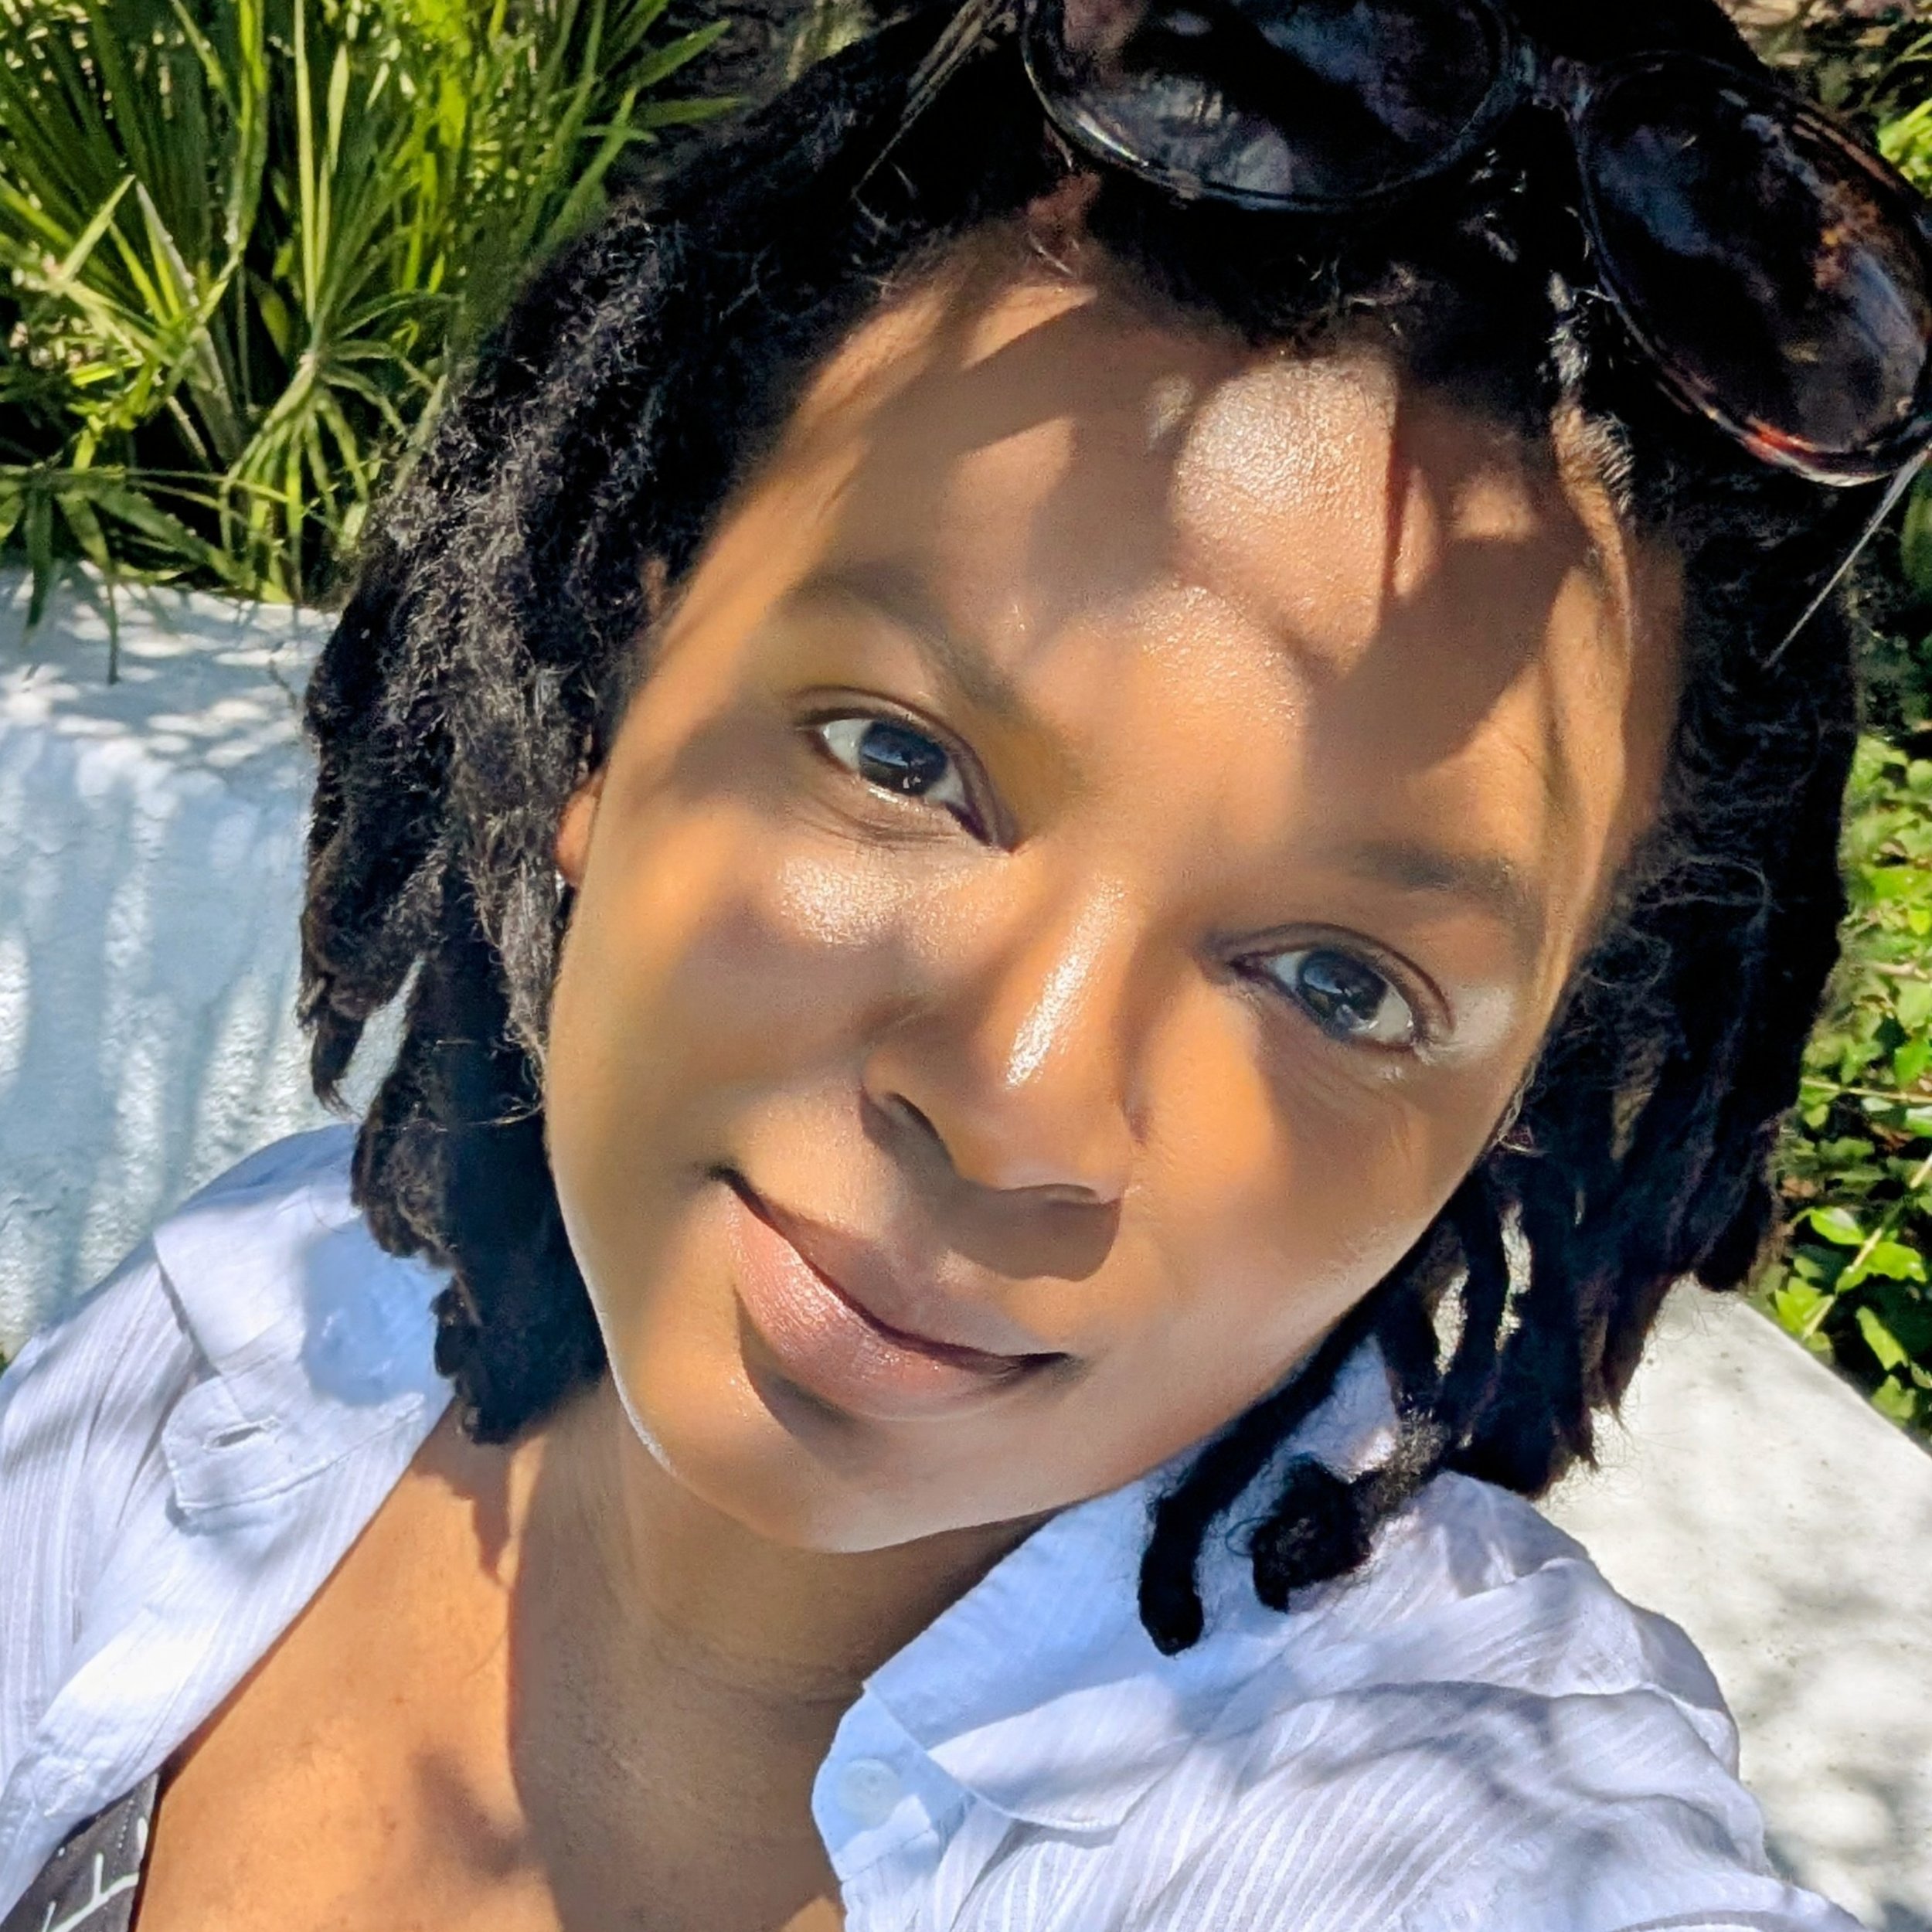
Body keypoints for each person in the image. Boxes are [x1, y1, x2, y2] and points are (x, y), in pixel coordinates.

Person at [1, 0, 1924, 1925]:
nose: (1017, 1103)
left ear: (1511, 1114)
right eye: (899, 758)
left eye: (1336, 982)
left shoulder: (1450, 1841)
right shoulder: (248, 1339)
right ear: (613, 695)